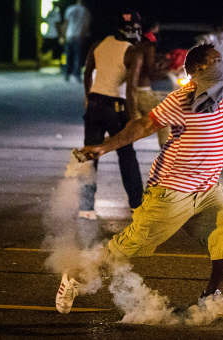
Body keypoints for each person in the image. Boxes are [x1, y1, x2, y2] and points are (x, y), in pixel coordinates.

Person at [55, 43, 223, 315]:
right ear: (200, 69)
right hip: (171, 192)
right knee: (127, 248)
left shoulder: (216, 95)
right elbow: (144, 124)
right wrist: (105, 146)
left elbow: (209, 128)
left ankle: (210, 294)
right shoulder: (182, 99)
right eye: (216, 61)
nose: (222, 64)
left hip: (207, 190)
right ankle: (74, 275)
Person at [77, 10, 145, 220]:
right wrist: (134, 118)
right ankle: (137, 205)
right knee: (126, 156)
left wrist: (89, 98)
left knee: (90, 156)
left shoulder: (98, 44)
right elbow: (132, 89)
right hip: (116, 108)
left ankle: (86, 207)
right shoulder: (133, 52)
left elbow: (87, 73)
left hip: (95, 104)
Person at [133, 18, 171, 149]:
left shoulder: (134, 44)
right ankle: (167, 154)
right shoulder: (148, 45)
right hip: (142, 92)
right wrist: (167, 71)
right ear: (153, 29)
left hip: (130, 91)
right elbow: (150, 72)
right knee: (164, 117)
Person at [62, 0, 91, 82]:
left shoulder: (70, 9)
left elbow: (66, 23)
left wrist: (63, 35)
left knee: (68, 55)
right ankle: (76, 75)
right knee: (77, 56)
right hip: (79, 36)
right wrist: (84, 35)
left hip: (69, 34)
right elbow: (86, 26)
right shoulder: (85, 11)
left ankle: (67, 74)